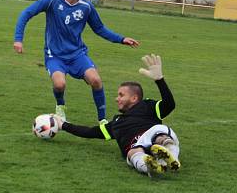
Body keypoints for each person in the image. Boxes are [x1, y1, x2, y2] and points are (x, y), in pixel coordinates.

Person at [14, 0, 139, 122]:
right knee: (59, 84)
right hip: (55, 55)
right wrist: (18, 39)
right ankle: (60, 107)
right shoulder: (52, 1)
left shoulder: (86, 7)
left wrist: (121, 39)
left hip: (77, 55)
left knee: (96, 80)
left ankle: (102, 120)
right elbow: (26, 13)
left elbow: (99, 28)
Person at [53, 54, 181, 177]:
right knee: (132, 152)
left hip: (153, 133)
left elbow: (169, 105)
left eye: (121, 95)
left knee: (160, 135)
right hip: (136, 147)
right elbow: (89, 132)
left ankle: (170, 157)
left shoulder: (147, 105)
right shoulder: (116, 123)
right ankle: (151, 164)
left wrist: (160, 80)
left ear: (134, 98)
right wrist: (63, 125)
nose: (116, 99)